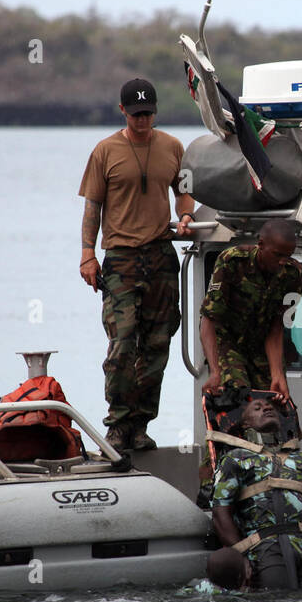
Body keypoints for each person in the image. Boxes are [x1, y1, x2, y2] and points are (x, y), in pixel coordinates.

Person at [78, 78, 198, 451]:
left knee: (157, 344)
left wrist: (186, 215)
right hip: (122, 259)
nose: (142, 120)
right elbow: (92, 208)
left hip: (160, 255)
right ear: (123, 112)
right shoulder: (105, 151)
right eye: (135, 115)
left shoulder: (173, 147)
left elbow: (185, 190)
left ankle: (141, 425)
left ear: (156, 112)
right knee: (123, 342)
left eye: (147, 114)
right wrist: (87, 254)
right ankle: (117, 424)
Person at [210, 395, 302, 591]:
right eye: (257, 408)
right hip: (262, 547)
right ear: (245, 423)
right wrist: (242, 554)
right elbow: (220, 513)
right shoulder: (235, 459)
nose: (266, 408)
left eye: (269, 406)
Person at [198, 219, 302, 403]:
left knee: (276, 403)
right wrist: (215, 372)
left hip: (261, 345)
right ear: (261, 245)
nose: (282, 262)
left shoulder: (292, 274)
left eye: (288, 256)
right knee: (235, 396)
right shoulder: (232, 261)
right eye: (277, 255)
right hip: (228, 344)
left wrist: (277, 374)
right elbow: (209, 320)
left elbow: (276, 326)